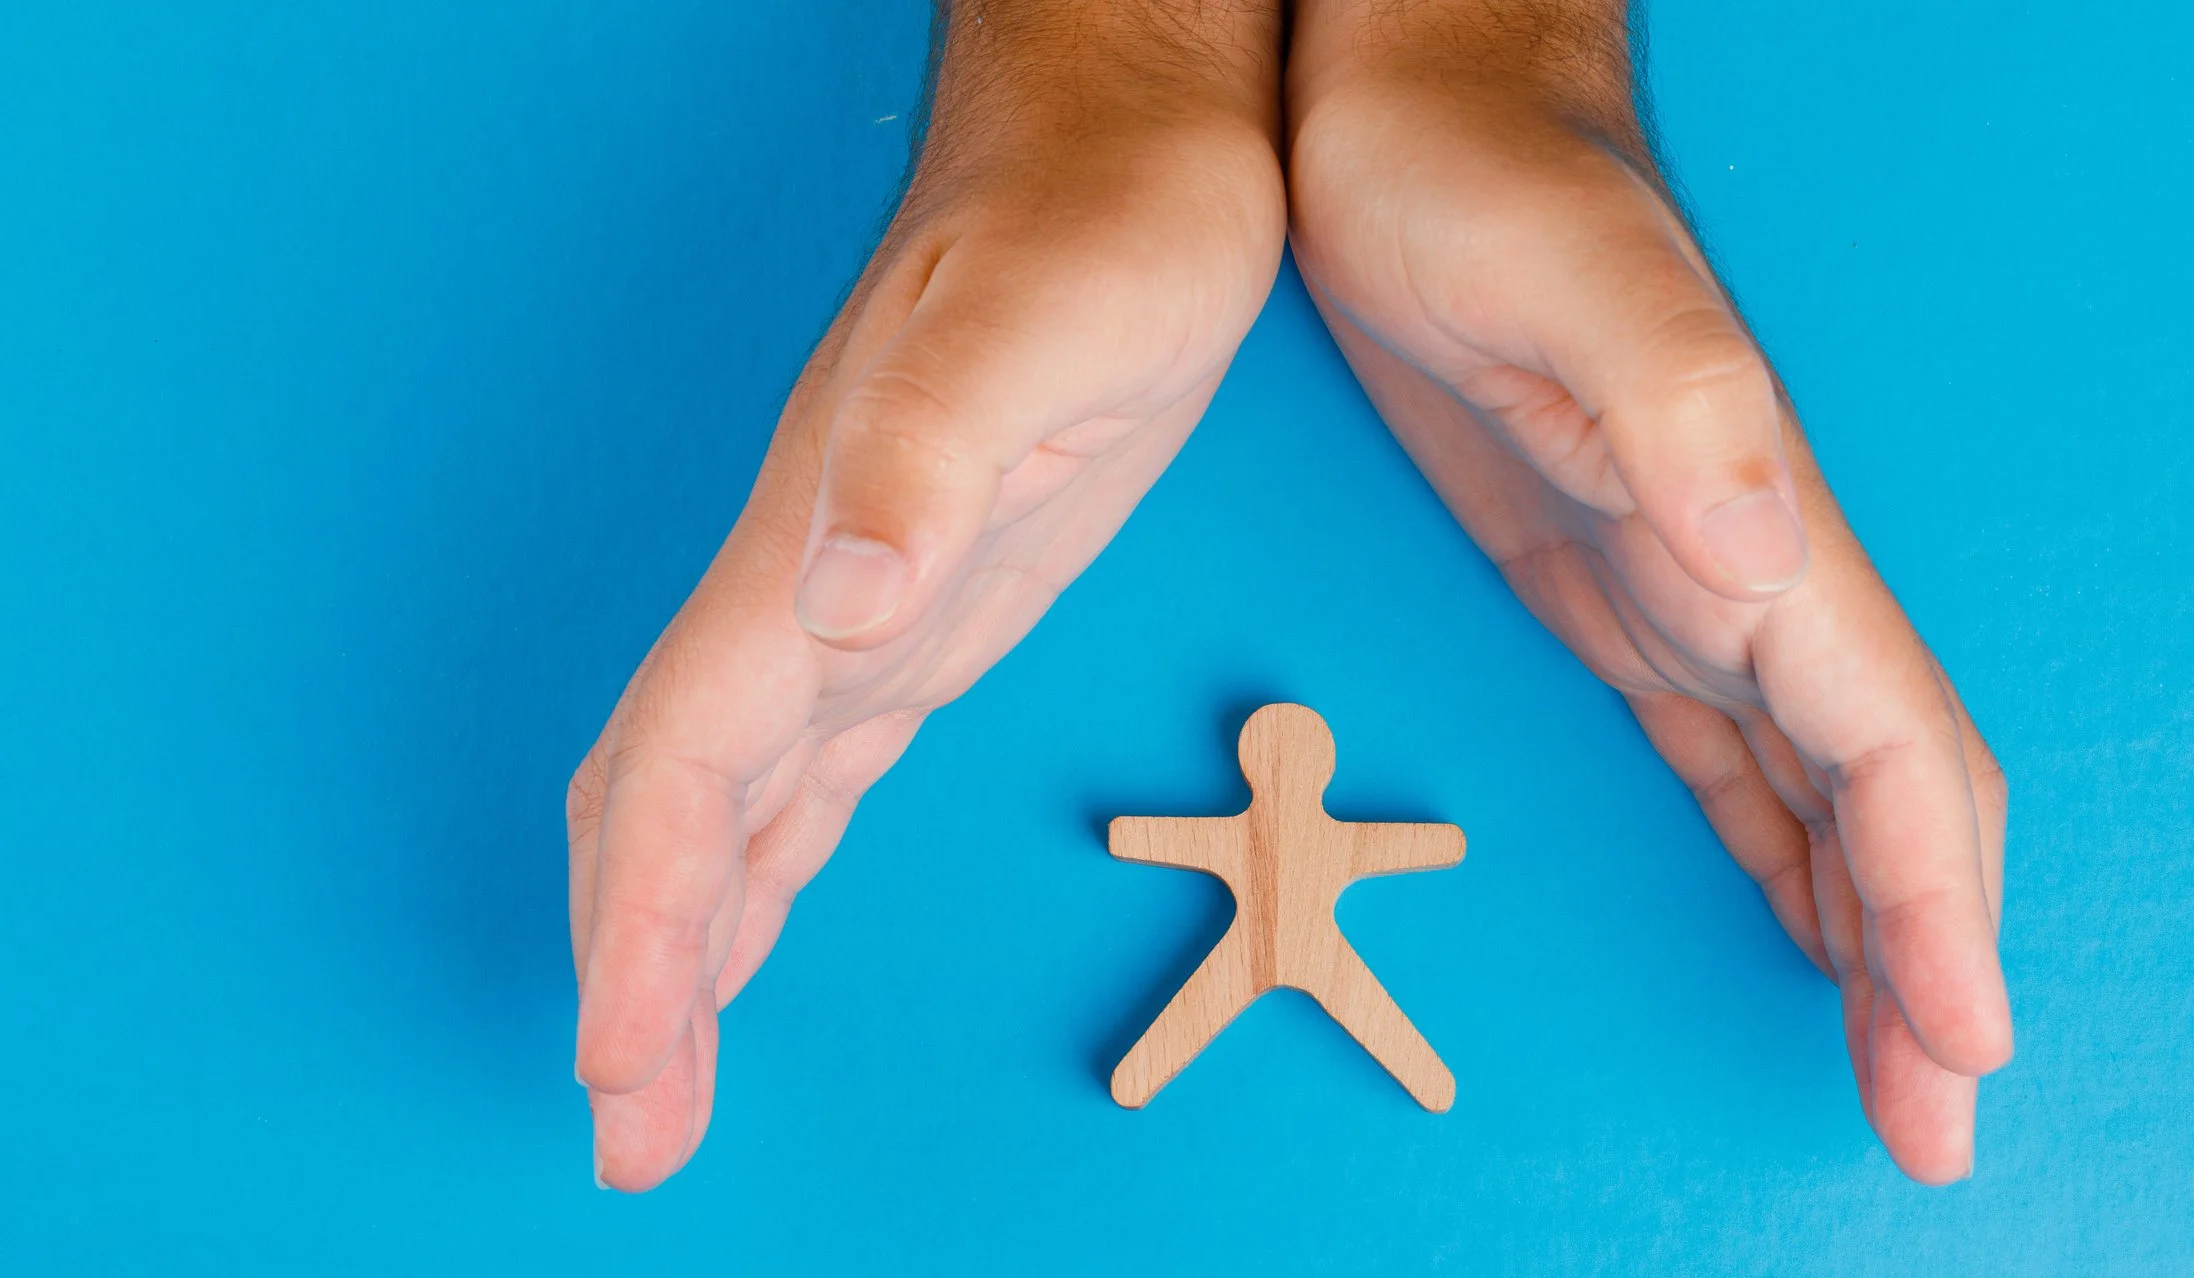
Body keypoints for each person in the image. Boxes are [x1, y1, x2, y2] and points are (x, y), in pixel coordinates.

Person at [565, 0, 2014, 1193]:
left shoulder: (1294, 816)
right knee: (1260, 1023)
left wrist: (1418, 60)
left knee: (1302, 1022)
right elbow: (1256, 835)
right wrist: (1128, 74)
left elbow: (1346, 843)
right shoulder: (1282, 814)